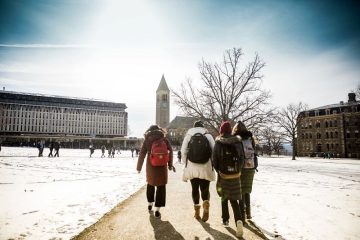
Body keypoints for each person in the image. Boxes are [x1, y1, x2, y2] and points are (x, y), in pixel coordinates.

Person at [212, 121, 244, 238]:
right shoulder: (238, 141)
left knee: (224, 197)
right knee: (234, 200)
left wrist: (219, 171)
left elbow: (214, 160)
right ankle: (239, 221)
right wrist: (238, 171)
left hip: (223, 174)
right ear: (230, 130)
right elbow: (242, 158)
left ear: (221, 130)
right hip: (236, 175)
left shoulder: (218, 142)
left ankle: (225, 220)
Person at [181, 120, 215, 222]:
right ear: (203, 127)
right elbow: (214, 150)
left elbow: (183, 151)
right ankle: (206, 205)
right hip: (206, 166)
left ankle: (196, 212)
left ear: (193, 127)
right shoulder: (208, 135)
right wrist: (211, 162)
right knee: (205, 189)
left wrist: (186, 162)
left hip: (192, 166)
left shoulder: (188, 135)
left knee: (194, 189)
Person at [137, 125, 174, 218]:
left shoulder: (147, 139)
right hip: (162, 165)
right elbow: (171, 151)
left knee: (150, 184)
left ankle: (150, 203)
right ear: (160, 130)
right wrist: (170, 164)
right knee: (161, 186)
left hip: (151, 165)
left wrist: (139, 167)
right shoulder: (164, 139)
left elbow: (142, 154)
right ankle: (157, 209)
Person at [232, 120, 258, 221]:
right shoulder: (251, 138)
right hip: (251, 167)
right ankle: (248, 214)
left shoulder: (235, 139)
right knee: (247, 191)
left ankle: (242, 215)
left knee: (241, 191)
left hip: (240, 167)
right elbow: (254, 151)